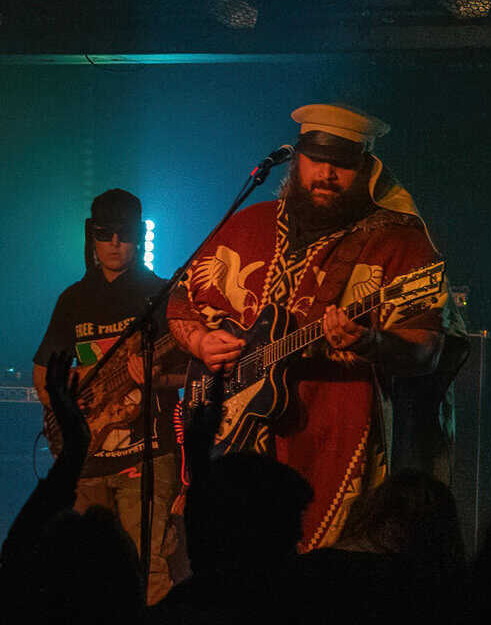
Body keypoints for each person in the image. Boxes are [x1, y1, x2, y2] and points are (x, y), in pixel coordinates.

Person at [168, 104, 455, 550]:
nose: (326, 174)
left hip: (333, 440)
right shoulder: (246, 225)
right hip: (231, 450)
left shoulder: (399, 244)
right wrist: (201, 341)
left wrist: (371, 342)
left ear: (367, 169)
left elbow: (427, 349)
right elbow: (180, 304)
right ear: (296, 158)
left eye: (342, 164)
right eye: (316, 159)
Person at [33, 189, 186, 603]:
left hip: (148, 457)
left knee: (150, 571)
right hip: (87, 462)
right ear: (92, 236)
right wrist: (71, 406)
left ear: (139, 235)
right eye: (105, 234)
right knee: (81, 578)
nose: (115, 243)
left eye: (125, 233)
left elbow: (197, 370)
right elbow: (43, 375)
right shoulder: (73, 300)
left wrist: (159, 380)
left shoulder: (162, 294)